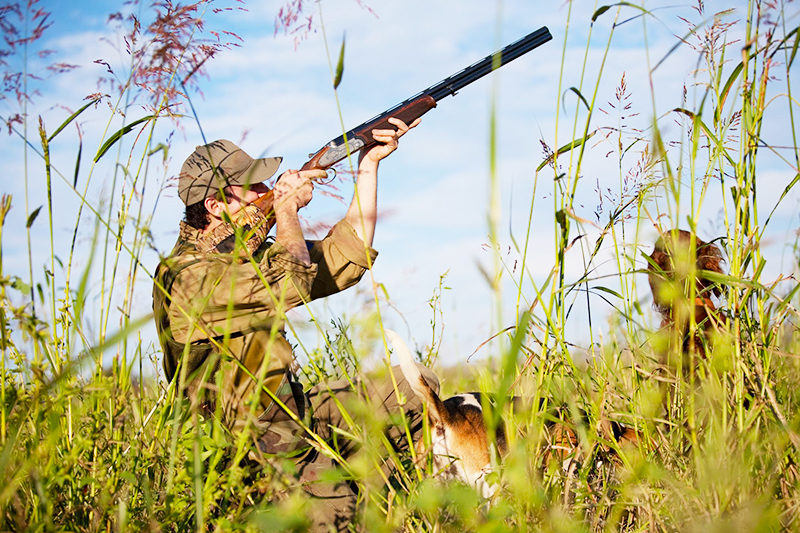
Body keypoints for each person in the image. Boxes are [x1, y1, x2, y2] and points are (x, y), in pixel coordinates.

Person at [152, 118, 436, 530]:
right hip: (251, 448)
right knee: (338, 523)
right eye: (255, 188)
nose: (268, 191)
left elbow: (347, 257)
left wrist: (368, 166)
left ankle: (373, 497)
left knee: (415, 386)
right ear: (215, 207)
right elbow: (293, 279)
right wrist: (285, 211)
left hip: (292, 413)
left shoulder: (245, 257)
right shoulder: (186, 277)